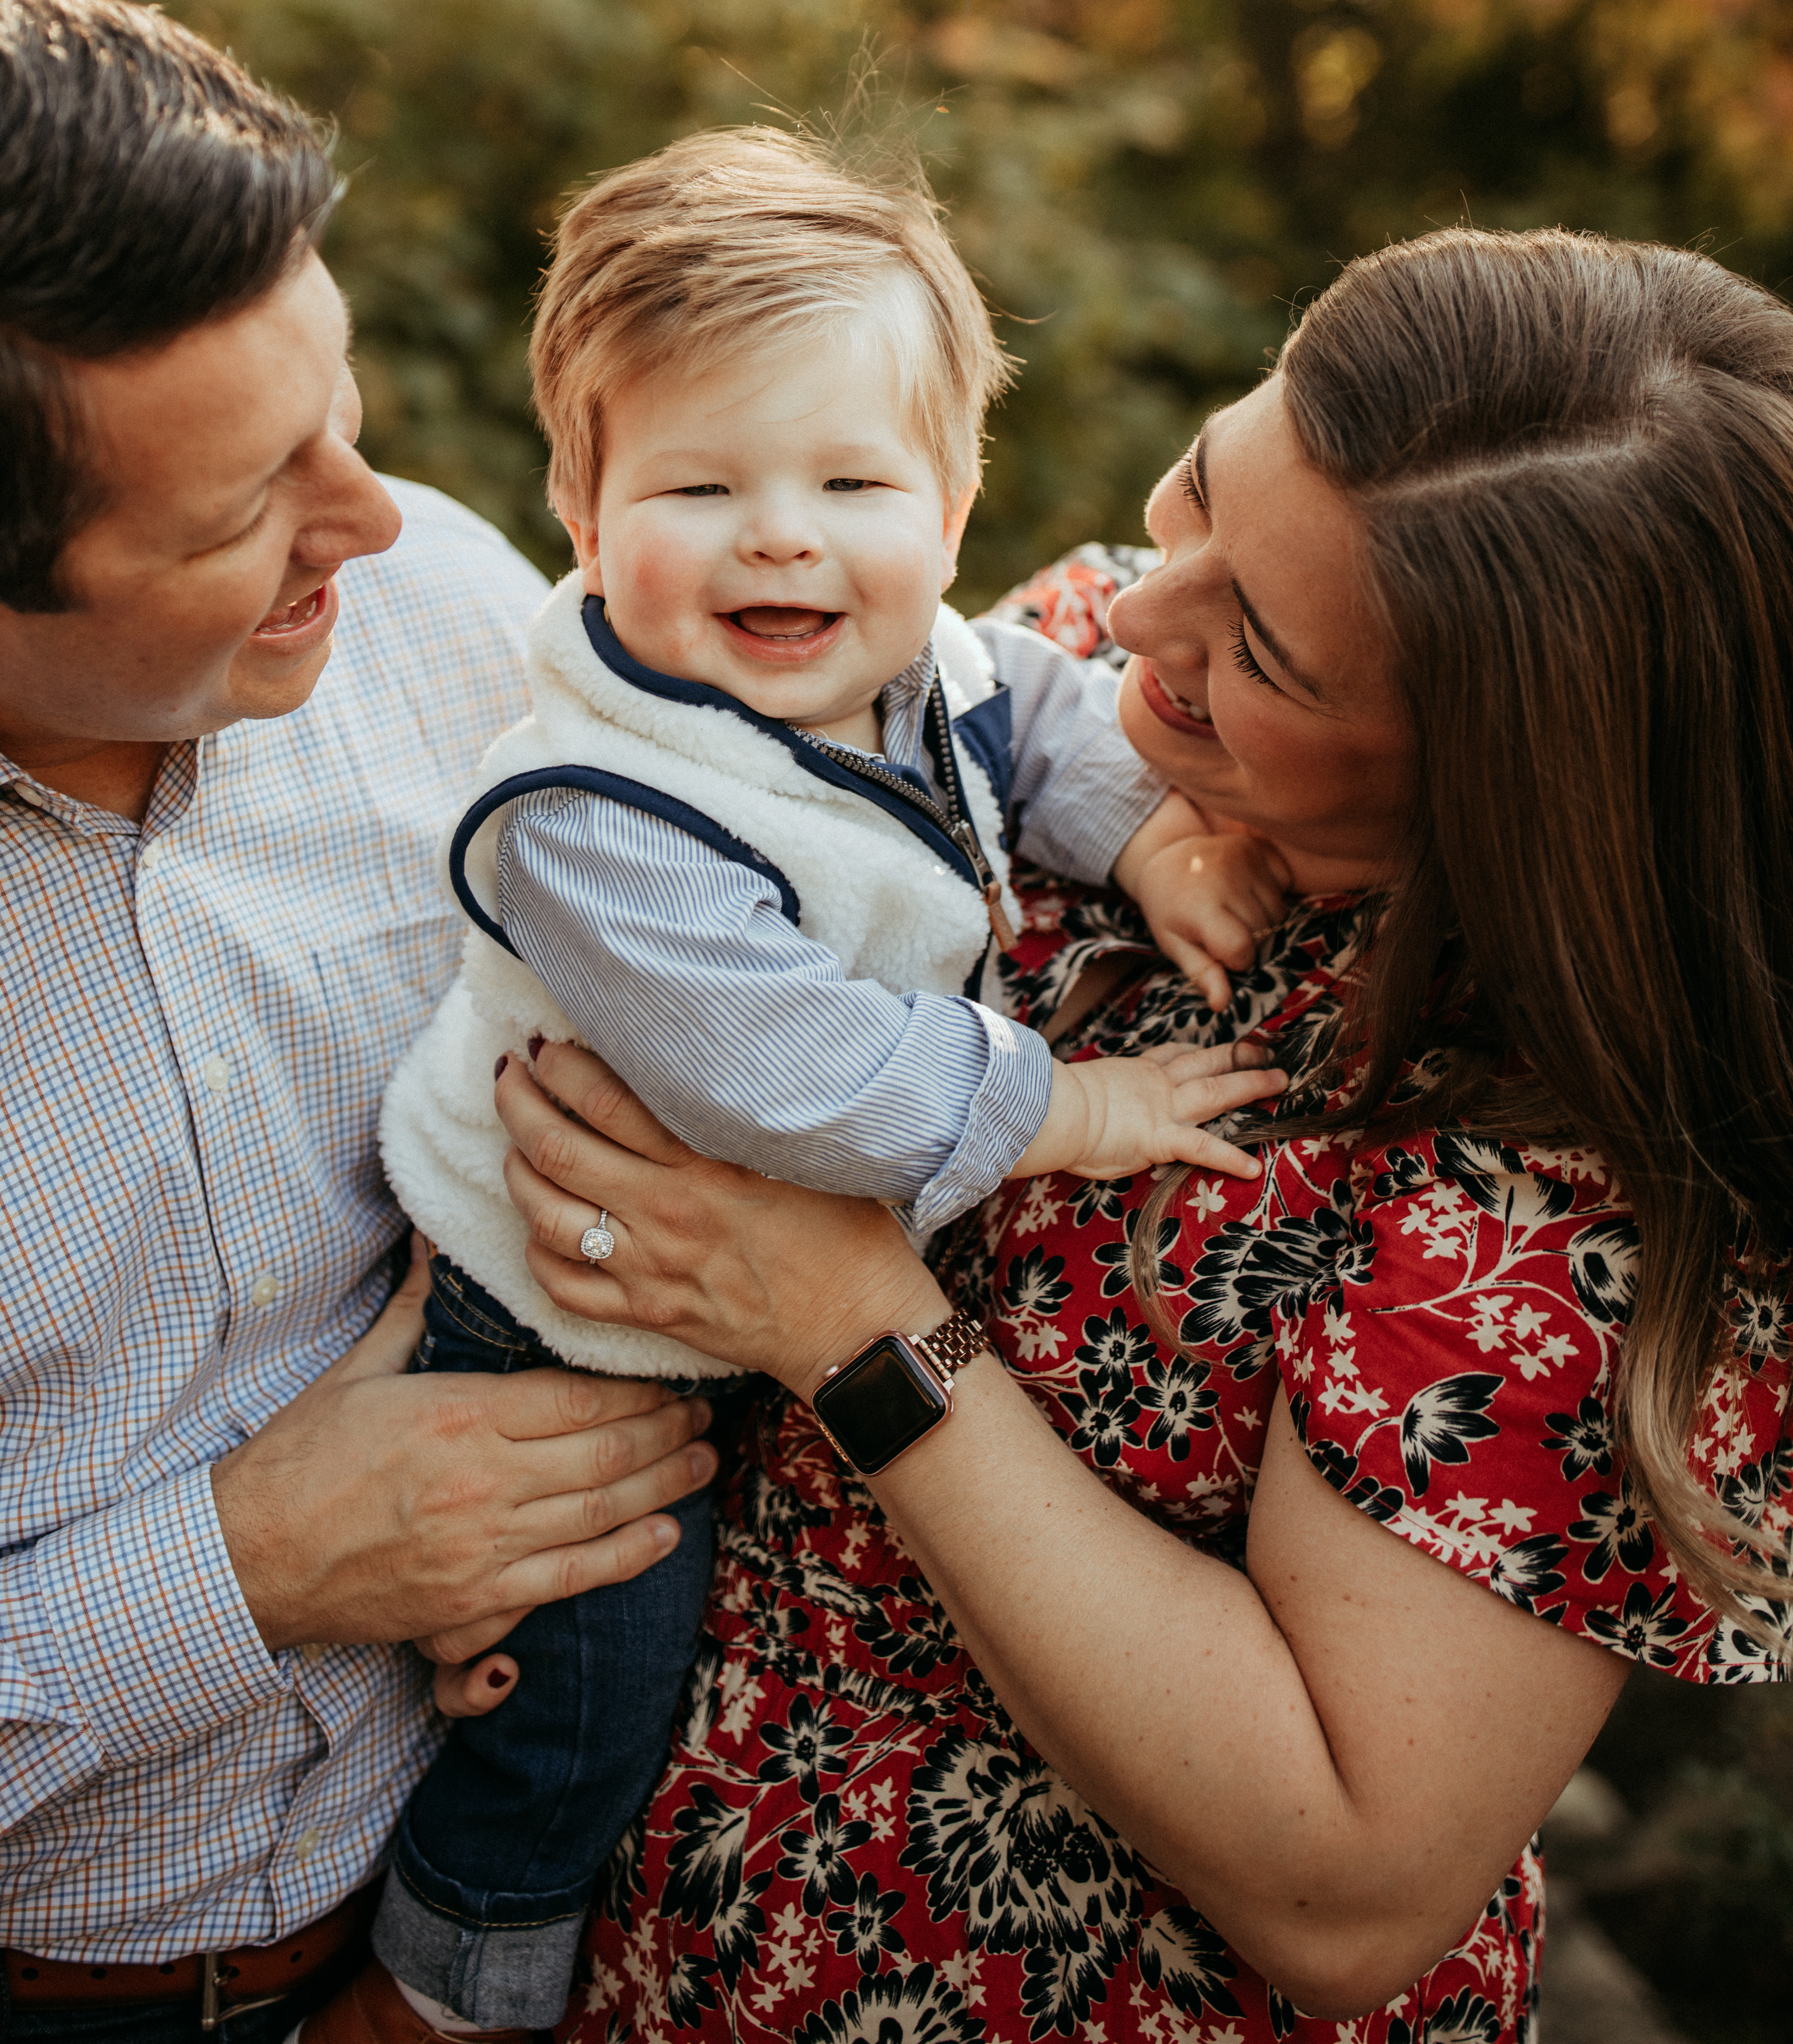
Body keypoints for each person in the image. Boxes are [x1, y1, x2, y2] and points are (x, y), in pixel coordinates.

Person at [487, 225, 1793, 2043]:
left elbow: (1346, 1879)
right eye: (1193, 496)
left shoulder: (1565, 1182)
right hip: (645, 1937)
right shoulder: (1081, 657)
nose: (1133, 618)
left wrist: (855, 1331)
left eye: (1257, 645)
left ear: (1508, 776)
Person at [0, 0, 716, 2044]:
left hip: (453, 1935)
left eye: (343, 400)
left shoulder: (444, 612)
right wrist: (244, 1567)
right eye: (241, 510)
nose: (372, 517)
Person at [365, 128, 1290, 2041]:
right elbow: (799, 1091)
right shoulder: (591, 812)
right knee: (591, 1691)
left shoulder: (910, 660)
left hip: (726, 1289)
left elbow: (1029, 718)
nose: (780, 533)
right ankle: (456, 1978)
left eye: (851, 480)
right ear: (579, 497)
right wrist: (1085, 1108)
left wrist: (1144, 843)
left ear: (952, 499)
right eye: (699, 483)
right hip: (561, 1314)